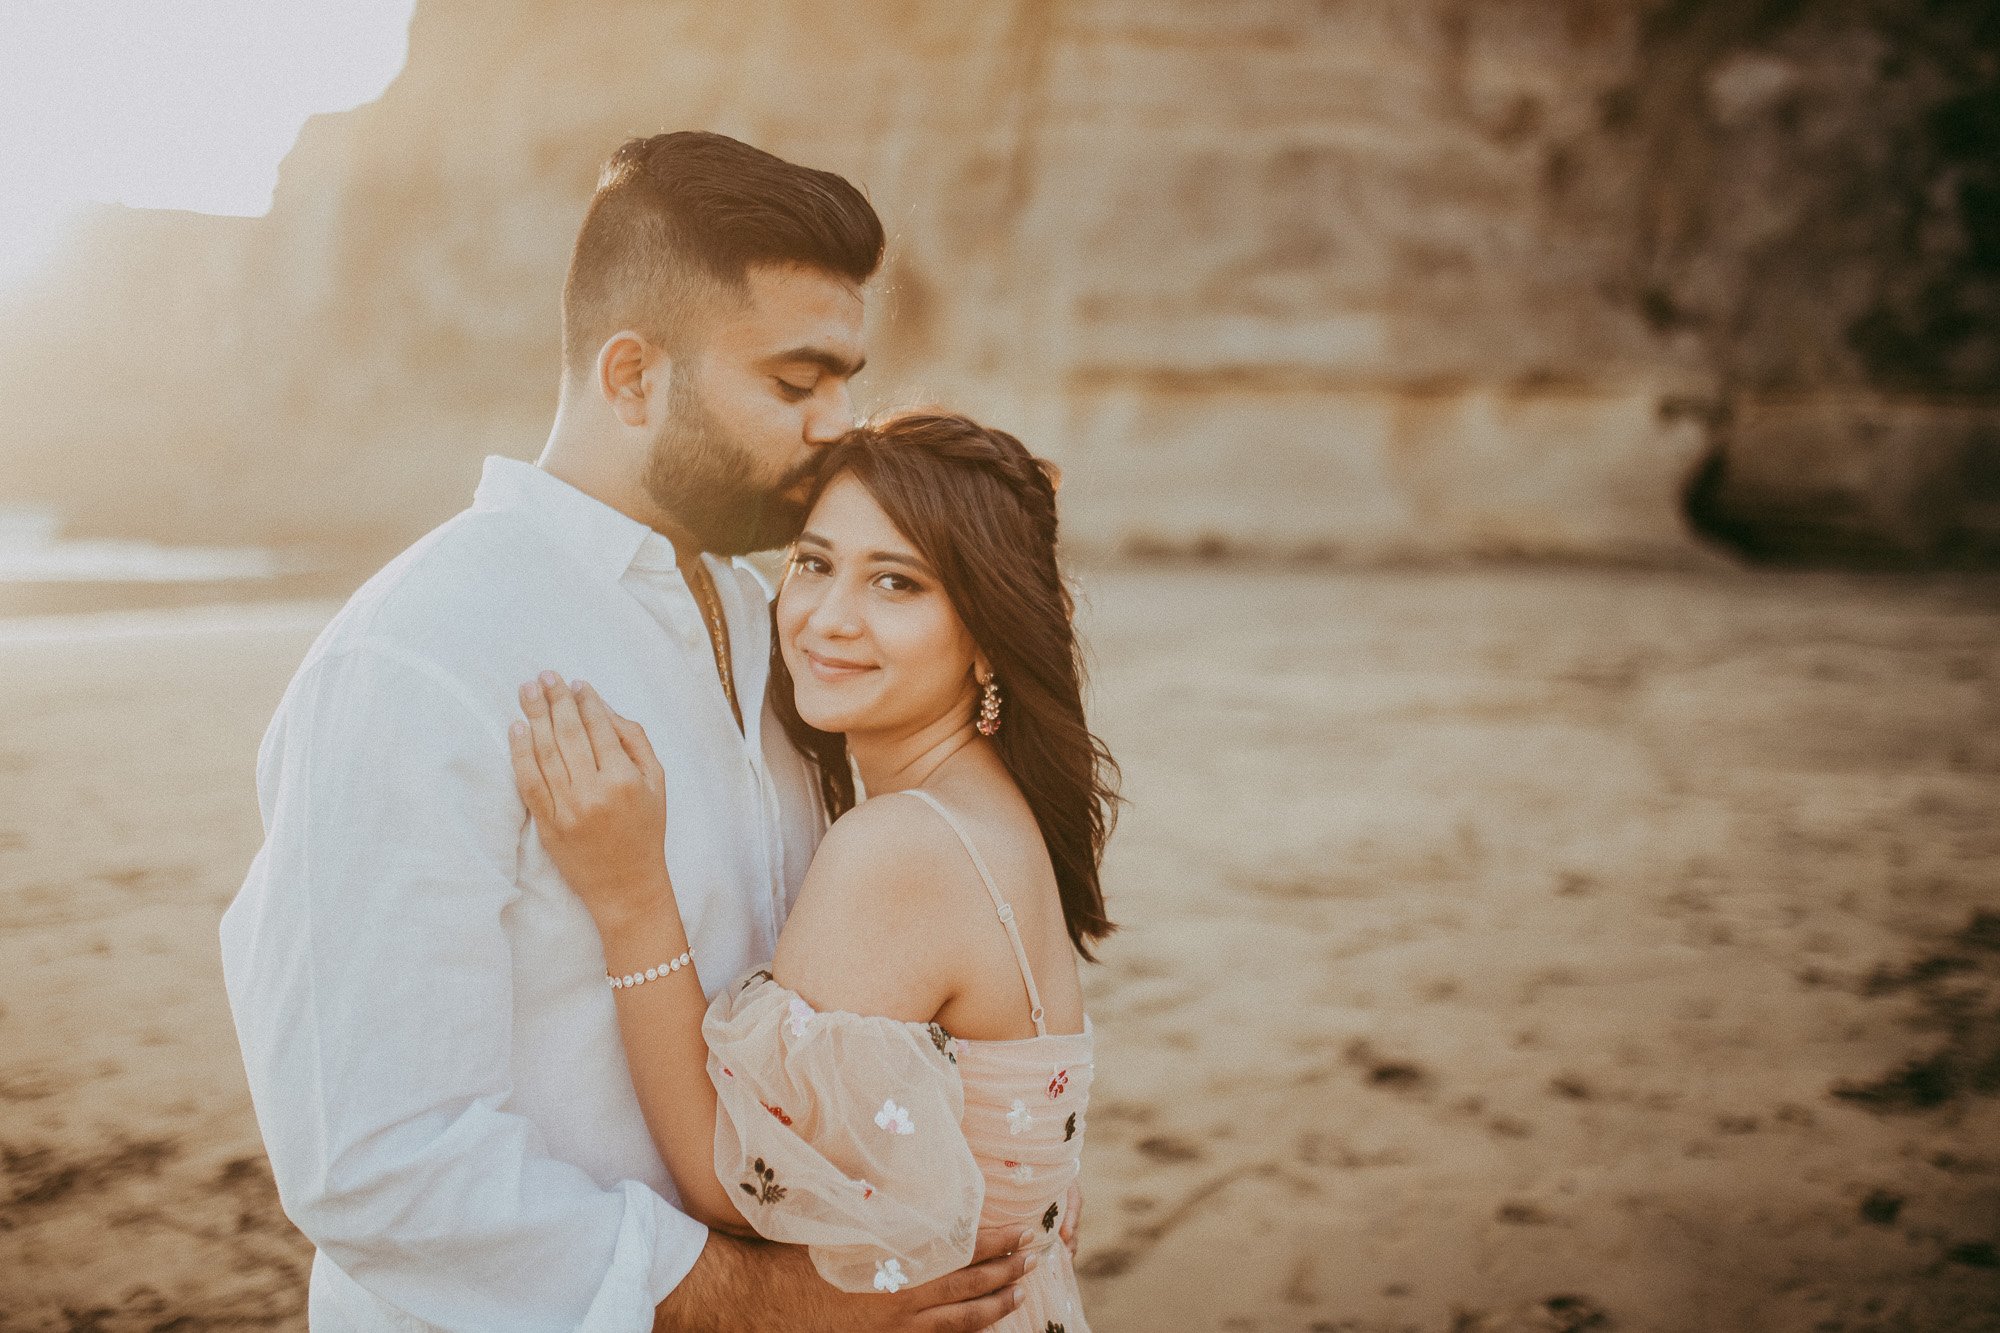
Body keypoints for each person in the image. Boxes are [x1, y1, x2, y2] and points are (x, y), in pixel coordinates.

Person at [220, 132, 1046, 1331]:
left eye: (847, 380)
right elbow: (377, 1159)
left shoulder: (787, 629)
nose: (839, 426)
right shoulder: (415, 661)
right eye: (795, 382)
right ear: (630, 379)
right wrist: (767, 1304)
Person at [508, 412, 1118, 1333]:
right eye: (815, 563)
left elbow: (728, 1174)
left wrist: (630, 894)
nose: (830, 618)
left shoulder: (904, 843)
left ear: (988, 633)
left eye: (896, 582)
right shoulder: (991, 808)